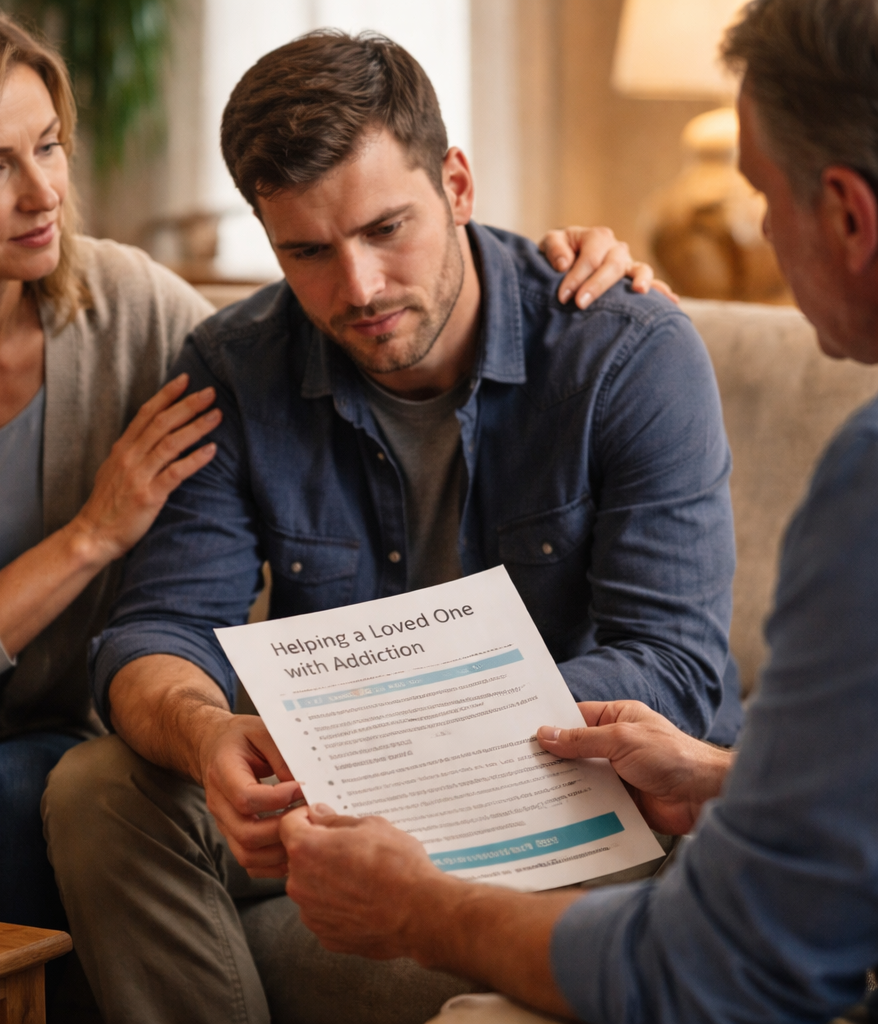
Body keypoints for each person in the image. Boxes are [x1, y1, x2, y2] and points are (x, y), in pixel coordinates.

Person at [43, 28, 742, 1024]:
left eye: (385, 228)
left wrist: (417, 735)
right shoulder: (234, 367)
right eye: (307, 252)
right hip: (332, 780)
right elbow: (155, 632)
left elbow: (678, 668)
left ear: (456, 182)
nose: (358, 287)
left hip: (561, 784)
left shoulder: (621, 348)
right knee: (96, 786)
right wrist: (206, 736)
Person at [279, 1, 878, 1021]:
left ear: (848, 216)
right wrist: (727, 781)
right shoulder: (238, 362)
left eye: (758, 197)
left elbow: (712, 970)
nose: (760, 233)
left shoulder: (860, 481)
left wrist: (424, 909)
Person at [0, 0, 223, 936]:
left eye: (49, 147)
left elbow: (319, 347)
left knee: (34, 782)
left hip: (51, 734)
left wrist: (540, 277)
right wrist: (93, 535)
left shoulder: (129, 304)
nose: (44, 191)